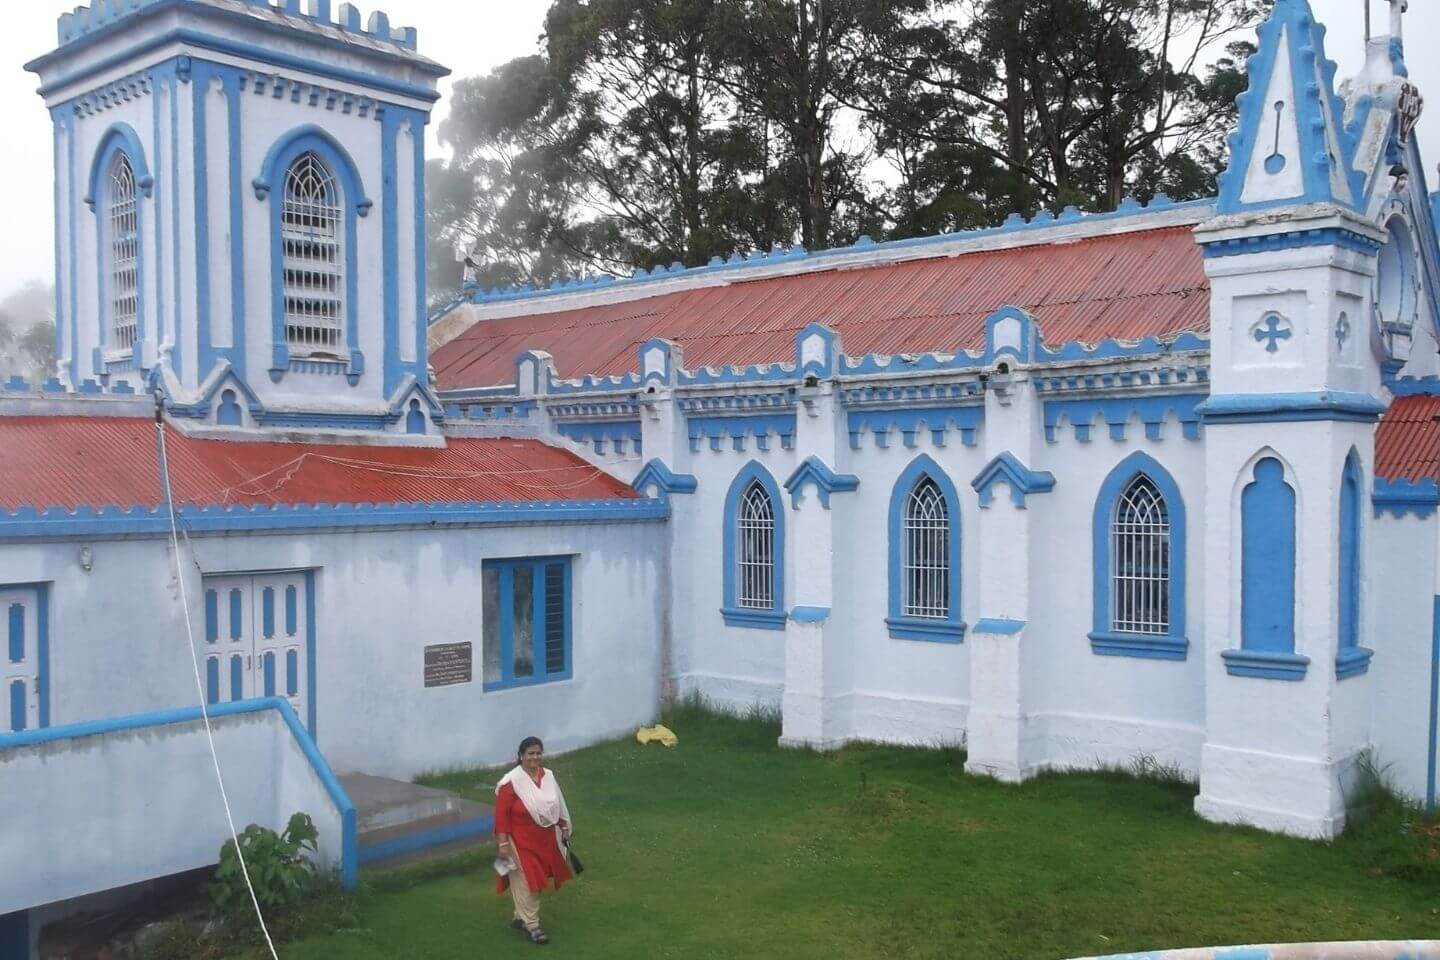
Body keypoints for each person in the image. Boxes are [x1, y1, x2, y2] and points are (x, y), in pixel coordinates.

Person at [493, 736, 573, 945]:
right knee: (530, 882)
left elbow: (557, 806)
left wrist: (564, 826)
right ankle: (532, 926)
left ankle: (520, 917)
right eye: (530, 753)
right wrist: (503, 846)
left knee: (530, 880)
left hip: (544, 840)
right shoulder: (511, 782)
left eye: (538, 753)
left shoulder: (548, 776)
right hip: (518, 841)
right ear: (521, 756)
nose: (535, 757)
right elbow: (501, 817)